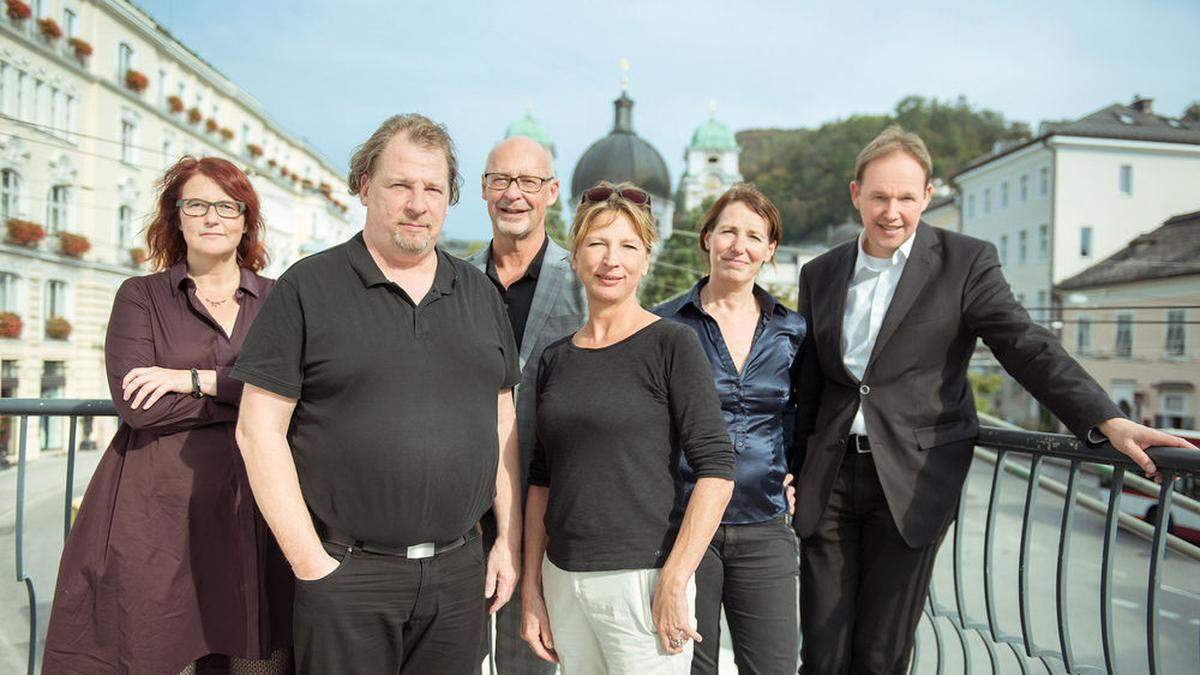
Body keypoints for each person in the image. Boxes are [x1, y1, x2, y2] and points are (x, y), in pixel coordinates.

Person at [791, 126, 1198, 674]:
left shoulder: (965, 261)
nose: (892, 211)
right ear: (855, 193)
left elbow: (1023, 344)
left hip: (912, 478)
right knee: (820, 652)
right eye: (880, 196)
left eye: (907, 198)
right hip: (830, 477)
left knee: (880, 655)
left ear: (927, 196)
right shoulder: (821, 273)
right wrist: (791, 467)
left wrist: (1105, 418)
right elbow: (810, 381)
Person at [231, 114, 522, 675]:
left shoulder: (480, 295)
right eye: (400, 185)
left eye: (433, 188)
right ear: (365, 187)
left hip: (459, 577)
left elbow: (503, 421)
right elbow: (257, 430)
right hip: (346, 575)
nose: (418, 203)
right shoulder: (307, 287)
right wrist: (309, 562)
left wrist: (506, 540)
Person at [43, 157, 291, 675]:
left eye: (227, 206)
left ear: (247, 220)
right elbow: (139, 405)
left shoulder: (277, 300)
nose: (211, 217)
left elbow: (297, 390)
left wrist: (191, 379)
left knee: (252, 650)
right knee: (156, 643)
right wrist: (244, 393)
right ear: (175, 217)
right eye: (196, 205)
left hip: (256, 504)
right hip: (158, 510)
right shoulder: (141, 296)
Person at [521, 182, 735, 674]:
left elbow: (717, 470)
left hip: (643, 583)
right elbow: (541, 480)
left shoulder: (671, 345)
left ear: (645, 260)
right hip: (564, 581)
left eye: (627, 246)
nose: (610, 259)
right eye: (596, 243)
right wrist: (532, 590)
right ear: (575, 257)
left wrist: (675, 579)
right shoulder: (556, 357)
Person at [653, 183, 804, 675]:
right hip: (684, 523)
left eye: (754, 236)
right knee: (687, 666)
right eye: (728, 232)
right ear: (707, 239)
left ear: (770, 250)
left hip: (764, 523)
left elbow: (806, 416)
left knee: (774, 665)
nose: (739, 246)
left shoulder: (792, 330)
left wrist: (800, 473)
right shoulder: (665, 325)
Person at [467, 135, 586, 675]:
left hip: (547, 501)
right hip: (461, 505)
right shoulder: (455, 281)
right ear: (484, 189)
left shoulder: (586, 280)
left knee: (530, 661)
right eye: (501, 181)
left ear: (552, 192)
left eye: (529, 182)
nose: (514, 194)